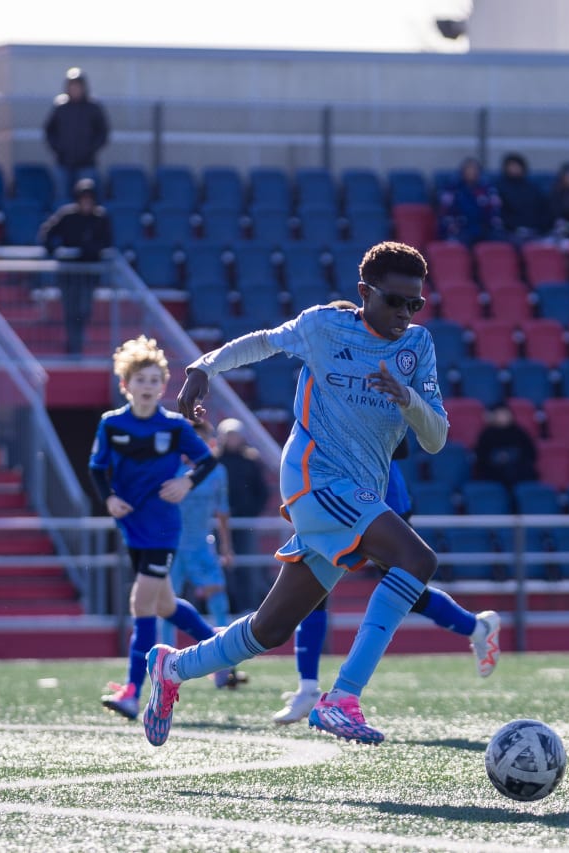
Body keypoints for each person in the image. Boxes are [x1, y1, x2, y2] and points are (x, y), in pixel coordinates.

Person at [142, 241, 448, 748]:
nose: (404, 313)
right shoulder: (325, 326)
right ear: (364, 293)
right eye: (394, 300)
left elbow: (436, 438)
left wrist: (408, 397)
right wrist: (203, 367)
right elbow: (264, 342)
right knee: (416, 560)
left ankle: (172, 668)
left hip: (357, 494)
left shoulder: (419, 346)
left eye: (414, 304)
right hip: (315, 479)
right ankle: (342, 697)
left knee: (272, 628)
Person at [272, 442, 500, 725]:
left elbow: (399, 446)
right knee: (312, 583)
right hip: (334, 489)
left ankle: (476, 627)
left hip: (380, 495)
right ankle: (307, 688)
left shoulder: (373, 397)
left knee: (407, 591)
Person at [89, 336, 228, 720]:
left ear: (163, 386)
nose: (147, 386)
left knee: (141, 603)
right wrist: (109, 499)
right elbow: (98, 469)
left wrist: (186, 482)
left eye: (154, 380)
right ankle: (221, 652)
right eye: (140, 380)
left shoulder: (175, 426)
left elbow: (207, 461)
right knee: (165, 605)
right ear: (125, 385)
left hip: (164, 528)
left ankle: (134, 691)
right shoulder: (112, 424)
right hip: (132, 526)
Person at [160, 421, 234, 640]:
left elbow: (222, 511)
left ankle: (224, 663)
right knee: (166, 605)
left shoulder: (217, 472)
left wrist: (226, 547)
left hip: (202, 544)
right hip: (172, 547)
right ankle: (164, 659)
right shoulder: (171, 469)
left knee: (219, 601)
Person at [38, 178, 113, 355]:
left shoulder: (100, 218)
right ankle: (74, 346)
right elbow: (47, 233)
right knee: (71, 310)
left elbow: (106, 242)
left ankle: (78, 342)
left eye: (90, 197)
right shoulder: (67, 215)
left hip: (89, 274)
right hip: (68, 273)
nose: (86, 201)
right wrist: (55, 249)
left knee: (84, 309)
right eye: (83, 197)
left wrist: (88, 250)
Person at [216, 417, 272, 612]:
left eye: (235, 435)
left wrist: (250, 513)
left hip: (244, 523)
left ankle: (249, 608)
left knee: (247, 566)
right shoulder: (214, 461)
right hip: (218, 523)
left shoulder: (251, 461)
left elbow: (263, 492)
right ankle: (224, 608)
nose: (232, 439)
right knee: (219, 566)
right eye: (228, 435)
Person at [44, 67, 109, 202]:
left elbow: (103, 132)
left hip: (87, 164)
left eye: (78, 86)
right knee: (62, 199)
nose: (75, 89)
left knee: (87, 199)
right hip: (63, 163)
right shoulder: (60, 106)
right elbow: (49, 131)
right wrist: (59, 148)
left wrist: (90, 150)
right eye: (72, 86)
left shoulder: (93, 107)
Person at [472, 401, 537, 492]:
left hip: (518, 469)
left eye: (505, 414)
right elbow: (481, 457)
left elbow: (530, 453)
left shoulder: (519, 432)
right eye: (499, 414)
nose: (503, 417)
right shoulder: (486, 434)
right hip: (494, 471)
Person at [438, 156, 503, 245]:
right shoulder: (452, 189)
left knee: (499, 241)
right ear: (462, 171)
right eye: (468, 169)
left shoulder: (488, 189)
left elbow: (495, 213)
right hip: (460, 229)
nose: (471, 172)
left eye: (474, 169)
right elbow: (445, 213)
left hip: (484, 229)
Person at [495, 153, 549, 242]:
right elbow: (499, 213)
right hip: (510, 233)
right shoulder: (499, 188)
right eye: (511, 166)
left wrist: (538, 227)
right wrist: (514, 227)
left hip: (535, 231)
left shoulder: (533, 188)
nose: (514, 168)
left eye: (517, 165)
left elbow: (544, 210)